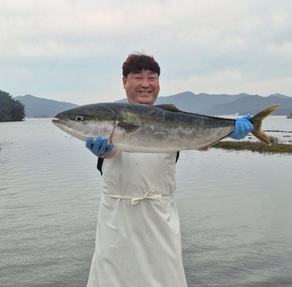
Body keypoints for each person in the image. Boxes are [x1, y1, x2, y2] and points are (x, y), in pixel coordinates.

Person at [85, 53, 253, 287]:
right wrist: (103, 153)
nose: (145, 83)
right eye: (138, 77)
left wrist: (230, 128)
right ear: (124, 82)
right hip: (118, 224)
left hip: (160, 222)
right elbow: (109, 157)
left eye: (151, 77)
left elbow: (197, 135)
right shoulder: (110, 124)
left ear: (158, 82)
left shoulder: (173, 120)